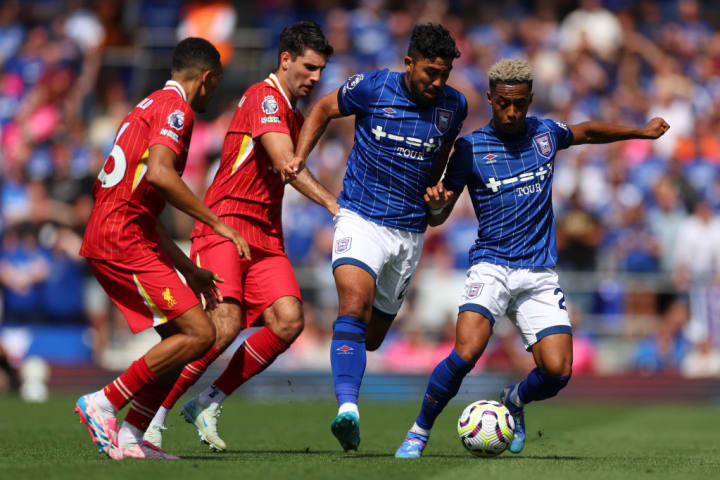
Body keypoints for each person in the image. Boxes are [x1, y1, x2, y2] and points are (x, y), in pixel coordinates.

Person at [394, 58, 669, 458]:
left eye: (519, 104)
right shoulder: (470, 148)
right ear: (490, 98)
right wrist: (436, 204)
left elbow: (587, 131)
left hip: (538, 273)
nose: (511, 112)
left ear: (529, 100)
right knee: (466, 352)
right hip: (491, 266)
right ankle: (418, 432)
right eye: (504, 104)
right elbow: (440, 214)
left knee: (558, 372)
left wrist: (639, 132)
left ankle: (514, 401)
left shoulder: (545, 134)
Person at [142, 21, 337, 452]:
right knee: (221, 328)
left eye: (321, 70)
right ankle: (154, 417)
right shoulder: (263, 97)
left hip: (266, 235)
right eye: (309, 67)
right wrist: (334, 206)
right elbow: (287, 164)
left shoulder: (292, 112)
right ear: (285, 59)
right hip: (225, 225)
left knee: (288, 321)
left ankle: (208, 402)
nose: (316, 78)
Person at [292, 23, 467, 452]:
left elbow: (441, 172)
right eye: (430, 72)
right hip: (360, 217)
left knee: (370, 336)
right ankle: (347, 410)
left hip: (409, 231)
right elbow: (321, 109)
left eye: (444, 74)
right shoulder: (373, 87)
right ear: (409, 63)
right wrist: (299, 158)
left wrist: (439, 198)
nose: (437, 82)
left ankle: (348, 377)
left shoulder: (454, 106)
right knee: (352, 304)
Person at [75, 37, 251, 460]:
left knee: (179, 336)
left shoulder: (148, 106)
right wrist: (217, 223)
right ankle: (103, 402)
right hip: (121, 238)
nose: (214, 91)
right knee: (200, 333)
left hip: (126, 233)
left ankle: (135, 436)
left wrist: (188, 271)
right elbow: (160, 175)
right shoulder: (176, 110)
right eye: (216, 83)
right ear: (206, 78)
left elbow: (146, 205)